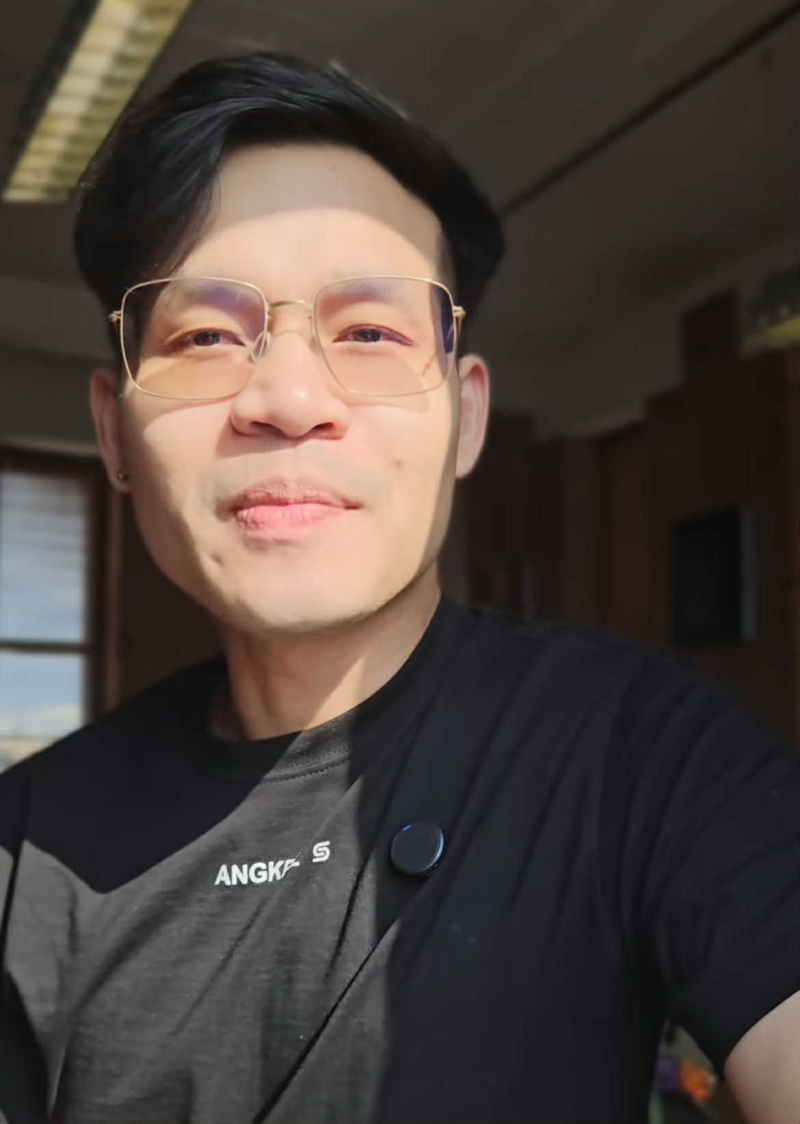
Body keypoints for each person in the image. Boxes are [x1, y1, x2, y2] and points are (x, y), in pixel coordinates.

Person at [0, 52, 797, 1124]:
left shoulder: (640, 750)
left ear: (467, 418)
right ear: (113, 430)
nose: (287, 398)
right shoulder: (27, 845)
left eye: (370, 332)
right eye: (205, 336)